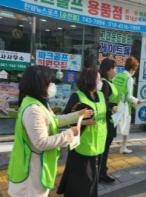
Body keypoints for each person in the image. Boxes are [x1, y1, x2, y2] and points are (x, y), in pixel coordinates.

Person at [7, 66, 92, 197]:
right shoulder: (33, 109)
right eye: (50, 82)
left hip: (35, 169)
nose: (53, 85)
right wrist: (69, 134)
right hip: (30, 176)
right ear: (40, 84)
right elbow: (41, 142)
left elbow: (53, 120)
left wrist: (78, 115)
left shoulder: (38, 103)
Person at [57, 67, 107, 197]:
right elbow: (65, 119)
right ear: (90, 80)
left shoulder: (101, 95)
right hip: (81, 144)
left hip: (98, 143)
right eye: (98, 79)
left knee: (92, 178)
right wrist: (84, 122)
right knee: (81, 179)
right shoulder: (77, 96)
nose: (100, 81)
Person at [113, 56, 143, 154]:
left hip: (114, 104)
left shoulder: (117, 76)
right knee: (125, 128)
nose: (135, 71)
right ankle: (123, 147)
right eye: (135, 69)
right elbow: (129, 96)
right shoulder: (129, 79)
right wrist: (137, 101)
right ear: (132, 69)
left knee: (112, 126)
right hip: (124, 106)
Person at [98, 58, 118, 183]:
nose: (115, 71)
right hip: (107, 121)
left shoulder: (109, 82)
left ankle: (101, 171)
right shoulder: (104, 83)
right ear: (108, 70)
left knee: (105, 147)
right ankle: (101, 173)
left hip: (112, 119)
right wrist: (112, 107)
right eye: (114, 68)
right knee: (104, 148)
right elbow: (104, 102)